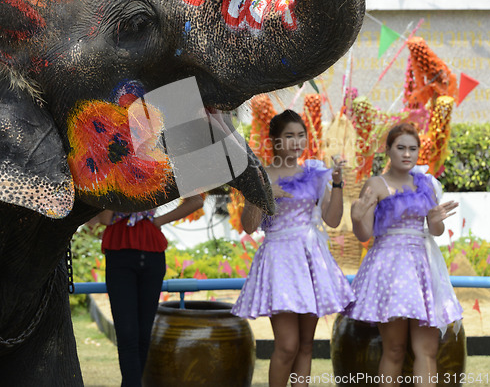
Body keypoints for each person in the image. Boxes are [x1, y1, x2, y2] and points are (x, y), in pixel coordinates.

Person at [231, 110, 355, 387]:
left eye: (301, 135)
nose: (297, 141)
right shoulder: (259, 176)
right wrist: (260, 196)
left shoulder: (315, 174)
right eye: (289, 136)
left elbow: (332, 220)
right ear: (274, 140)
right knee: (287, 345)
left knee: (306, 346)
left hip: (310, 257)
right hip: (279, 260)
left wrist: (336, 183)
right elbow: (249, 227)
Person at [345, 122, 462, 387]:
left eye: (412, 148)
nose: (407, 154)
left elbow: (435, 230)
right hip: (389, 268)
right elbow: (364, 235)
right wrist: (355, 219)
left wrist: (435, 218)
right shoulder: (375, 184)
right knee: (395, 349)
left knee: (427, 350)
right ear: (388, 150)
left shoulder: (427, 185)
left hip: (422, 267)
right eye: (400, 148)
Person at [91, 195, 204, 387]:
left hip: (151, 249)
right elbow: (104, 219)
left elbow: (197, 201)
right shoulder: (110, 168)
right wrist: (119, 195)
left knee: (144, 333)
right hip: (120, 249)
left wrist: (157, 220)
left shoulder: (161, 167)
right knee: (127, 333)